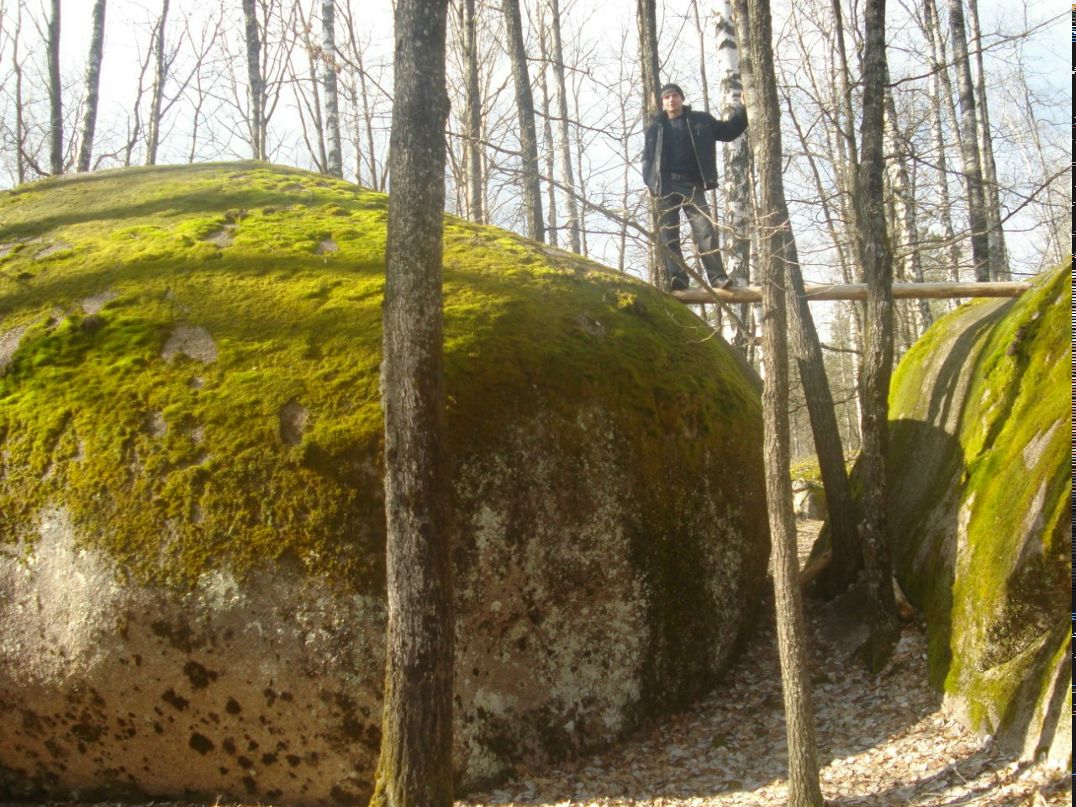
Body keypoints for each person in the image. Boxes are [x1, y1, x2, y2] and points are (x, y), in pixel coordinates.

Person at [642, 82, 748, 291]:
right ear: (662, 102)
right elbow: (647, 158)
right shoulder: (655, 128)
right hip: (665, 186)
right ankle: (678, 278)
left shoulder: (701, 121)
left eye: (674, 96)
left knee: (705, 230)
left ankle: (717, 278)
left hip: (691, 184)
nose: (671, 100)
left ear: (681, 99)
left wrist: (743, 110)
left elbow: (728, 132)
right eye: (667, 97)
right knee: (668, 234)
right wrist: (649, 182)